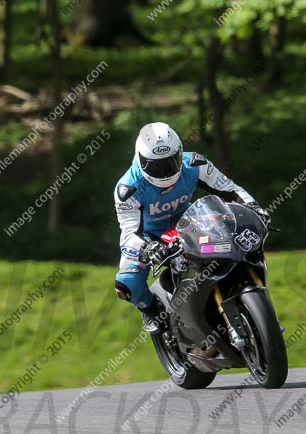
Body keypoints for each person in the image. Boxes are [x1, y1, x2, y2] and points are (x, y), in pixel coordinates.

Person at [113, 122, 268, 334]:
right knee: (126, 283)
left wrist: (253, 207)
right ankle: (151, 311)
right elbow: (129, 233)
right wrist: (148, 248)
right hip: (150, 238)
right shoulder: (127, 189)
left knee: (235, 245)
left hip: (191, 222)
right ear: (141, 160)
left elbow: (229, 188)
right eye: (156, 166)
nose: (165, 171)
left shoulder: (195, 163)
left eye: (170, 163)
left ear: (180, 153)